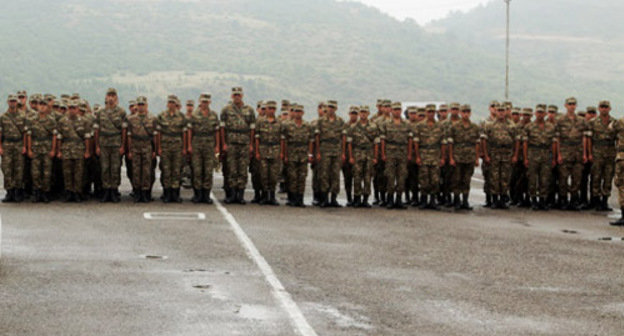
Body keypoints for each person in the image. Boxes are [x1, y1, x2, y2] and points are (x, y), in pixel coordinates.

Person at [220, 87, 256, 204]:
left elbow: (252, 130)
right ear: (232, 96)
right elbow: (222, 129)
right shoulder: (226, 110)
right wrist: (224, 144)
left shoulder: (249, 110)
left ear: (242, 96)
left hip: (244, 144)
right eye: (235, 95)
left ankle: (240, 195)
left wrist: (251, 144)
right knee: (232, 169)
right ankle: (232, 195)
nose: (237, 97)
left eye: (238, 95)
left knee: (242, 170)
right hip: (231, 143)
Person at [482, 105, 520, 209]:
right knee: (494, 177)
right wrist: (486, 155)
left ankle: (503, 199)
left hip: (507, 153)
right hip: (494, 153)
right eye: (499, 111)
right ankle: (494, 199)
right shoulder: (489, 125)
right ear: (496, 112)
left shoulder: (511, 126)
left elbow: (517, 141)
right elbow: (484, 140)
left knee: (505, 177)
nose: (501, 113)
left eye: (503, 111)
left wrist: (515, 155)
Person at [555, 97, 588, 210]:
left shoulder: (581, 121)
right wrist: (558, 154)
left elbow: (584, 138)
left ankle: (573, 201)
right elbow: (557, 138)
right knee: (563, 178)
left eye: (573, 104)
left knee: (577, 178)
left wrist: (584, 154)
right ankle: (563, 200)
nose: (571, 106)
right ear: (565, 105)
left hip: (577, 152)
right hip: (565, 151)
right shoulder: (560, 120)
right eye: (569, 104)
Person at [94, 88, 127, 202]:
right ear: (106, 97)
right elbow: (97, 130)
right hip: (104, 143)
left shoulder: (121, 112)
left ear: (116, 98)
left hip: (116, 142)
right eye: (109, 95)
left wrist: (123, 145)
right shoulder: (100, 112)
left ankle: (114, 190)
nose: (111, 98)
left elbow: (123, 130)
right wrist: (97, 146)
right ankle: (106, 190)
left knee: (115, 167)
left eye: (113, 95)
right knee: (104, 168)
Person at [522, 106, 557, 210]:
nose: (540, 114)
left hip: (546, 154)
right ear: (535, 113)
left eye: (542, 112)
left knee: (545, 179)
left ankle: (543, 200)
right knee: (532, 178)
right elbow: (525, 143)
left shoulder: (551, 127)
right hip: (533, 153)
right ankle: (533, 200)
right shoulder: (529, 127)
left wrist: (554, 158)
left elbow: (554, 143)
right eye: (538, 112)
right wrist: (525, 158)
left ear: (545, 114)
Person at [187, 93, 220, 204]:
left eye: (206, 101)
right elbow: (190, 131)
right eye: (203, 101)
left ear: (209, 102)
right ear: (199, 102)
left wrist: (217, 146)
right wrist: (189, 145)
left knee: (208, 170)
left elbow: (217, 131)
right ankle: (197, 194)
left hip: (209, 144)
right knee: (197, 170)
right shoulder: (194, 115)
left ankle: (206, 195)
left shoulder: (214, 115)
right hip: (197, 143)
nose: (204, 103)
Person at [56, 101, 91, 202]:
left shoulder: (84, 121)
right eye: (70, 108)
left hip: (79, 149)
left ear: (77, 109)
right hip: (66, 149)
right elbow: (59, 137)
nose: (72, 110)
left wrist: (87, 151)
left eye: (74, 108)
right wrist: (59, 151)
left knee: (78, 173)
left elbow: (87, 138)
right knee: (67, 172)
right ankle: (69, 192)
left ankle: (77, 192)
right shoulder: (62, 121)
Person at [448, 104, 480, 210]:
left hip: (469, 157)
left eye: (468, 112)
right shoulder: (455, 127)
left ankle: (465, 201)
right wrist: (451, 157)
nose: (466, 114)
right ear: (461, 113)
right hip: (458, 156)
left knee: (467, 180)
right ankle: (457, 200)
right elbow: (450, 143)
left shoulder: (475, 127)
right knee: (456, 179)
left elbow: (477, 143)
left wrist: (476, 158)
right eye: (464, 112)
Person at [380, 102, 412, 209]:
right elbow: (383, 140)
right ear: (391, 111)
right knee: (390, 176)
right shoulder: (386, 124)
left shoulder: (407, 124)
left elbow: (410, 140)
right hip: (390, 152)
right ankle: (390, 199)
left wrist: (409, 153)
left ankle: (399, 199)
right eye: (395, 109)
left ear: (401, 111)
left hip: (402, 153)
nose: (397, 111)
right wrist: (383, 153)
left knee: (402, 177)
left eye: (398, 109)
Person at [126, 96, 157, 203]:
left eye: (142, 105)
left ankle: (145, 192)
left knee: (146, 171)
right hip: (135, 146)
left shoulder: (152, 118)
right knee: (136, 170)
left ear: (146, 105)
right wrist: (129, 150)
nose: (140, 107)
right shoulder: (131, 119)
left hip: (147, 145)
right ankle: (137, 192)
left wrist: (154, 150)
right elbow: (129, 136)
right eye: (139, 105)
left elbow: (154, 136)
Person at [347, 105, 379, 208]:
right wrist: (351, 157)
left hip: (369, 153)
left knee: (367, 177)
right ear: (359, 114)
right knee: (357, 176)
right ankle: (357, 198)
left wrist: (375, 157)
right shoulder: (353, 127)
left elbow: (376, 143)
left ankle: (365, 199)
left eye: (365, 112)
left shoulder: (373, 126)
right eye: (361, 112)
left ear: (368, 113)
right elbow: (350, 143)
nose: (363, 114)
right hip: (357, 153)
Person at [25, 97, 57, 202]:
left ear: (47, 107)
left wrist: (53, 150)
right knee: (35, 172)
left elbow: (54, 136)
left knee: (47, 172)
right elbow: (29, 135)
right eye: (40, 105)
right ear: (38, 106)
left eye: (44, 105)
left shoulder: (51, 120)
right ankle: (37, 192)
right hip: (36, 147)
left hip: (47, 148)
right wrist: (29, 149)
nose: (42, 107)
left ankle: (45, 192)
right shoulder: (32, 120)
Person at [315, 100, 346, 208]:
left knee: (335, 175)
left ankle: (334, 198)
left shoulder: (340, 121)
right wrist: (318, 152)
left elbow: (343, 137)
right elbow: (317, 137)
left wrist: (343, 152)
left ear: (336, 109)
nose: (331, 109)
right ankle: (324, 199)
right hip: (325, 149)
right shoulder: (321, 121)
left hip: (336, 149)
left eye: (333, 107)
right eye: (329, 107)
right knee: (324, 174)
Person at [156, 95, 187, 203]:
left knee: (176, 170)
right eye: (170, 102)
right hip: (165, 146)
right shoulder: (162, 116)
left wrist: (184, 147)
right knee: (166, 170)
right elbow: (158, 133)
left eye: (173, 103)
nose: (171, 105)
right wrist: (158, 147)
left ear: (176, 104)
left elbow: (184, 133)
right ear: (167, 103)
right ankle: (167, 193)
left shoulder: (182, 117)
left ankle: (175, 193)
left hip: (177, 146)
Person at [414, 105, 445, 210]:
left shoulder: (440, 126)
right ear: (426, 113)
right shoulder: (419, 126)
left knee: (435, 179)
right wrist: (417, 157)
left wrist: (442, 158)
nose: (430, 114)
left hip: (435, 154)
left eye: (432, 112)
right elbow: (416, 143)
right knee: (424, 179)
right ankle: (423, 200)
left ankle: (432, 200)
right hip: (423, 154)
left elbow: (443, 143)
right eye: (429, 112)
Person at [282, 104, 313, 207]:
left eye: (300, 111)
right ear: (293, 112)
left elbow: (310, 141)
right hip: (292, 153)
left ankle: (300, 199)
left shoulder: (307, 126)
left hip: (303, 154)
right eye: (296, 111)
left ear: (303, 113)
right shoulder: (288, 125)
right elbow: (284, 141)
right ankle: (292, 198)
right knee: (292, 177)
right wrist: (285, 155)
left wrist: (310, 154)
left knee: (302, 177)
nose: (298, 113)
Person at [587, 100, 616, 211]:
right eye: (602, 107)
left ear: (609, 108)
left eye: (606, 107)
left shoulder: (614, 122)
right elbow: (589, 139)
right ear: (599, 108)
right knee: (596, 177)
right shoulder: (593, 122)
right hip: (597, 152)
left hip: (610, 152)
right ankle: (596, 200)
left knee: (608, 177)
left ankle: (605, 201)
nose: (604, 109)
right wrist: (589, 153)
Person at [0, 94, 27, 202]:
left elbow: (25, 133)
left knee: (19, 168)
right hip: (7, 144)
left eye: (14, 101)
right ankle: (9, 192)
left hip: (19, 144)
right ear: (8, 102)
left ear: (17, 103)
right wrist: (0, 147)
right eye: (11, 101)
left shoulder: (22, 116)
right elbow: (0, 133)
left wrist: (25, 146)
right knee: (7, 169)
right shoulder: (3, 117)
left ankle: (17, 192)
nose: (12, 103)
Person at [255, 101, 282, 205]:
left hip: (275, 150)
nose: (271, 110)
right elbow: (257, 138)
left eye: (273, 108)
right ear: (266, 109)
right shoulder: (260, 122)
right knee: (264, 174)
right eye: (269, 108)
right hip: (263, 149)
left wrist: (281, 152)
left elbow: (282, 139)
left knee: (274, 175)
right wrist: (257, 151)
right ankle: (265, 196)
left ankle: (272, 196)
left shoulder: (279, 122)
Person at [343, 106, 359, 206]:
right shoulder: (345, 126)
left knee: (358, 178)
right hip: (347, 156)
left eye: (355, 113)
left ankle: (357, 198)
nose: (353, 115)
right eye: (352, 113)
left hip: (359, 156)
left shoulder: (360, 126)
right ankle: (349, 198)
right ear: (349, 114)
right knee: (347, 178)